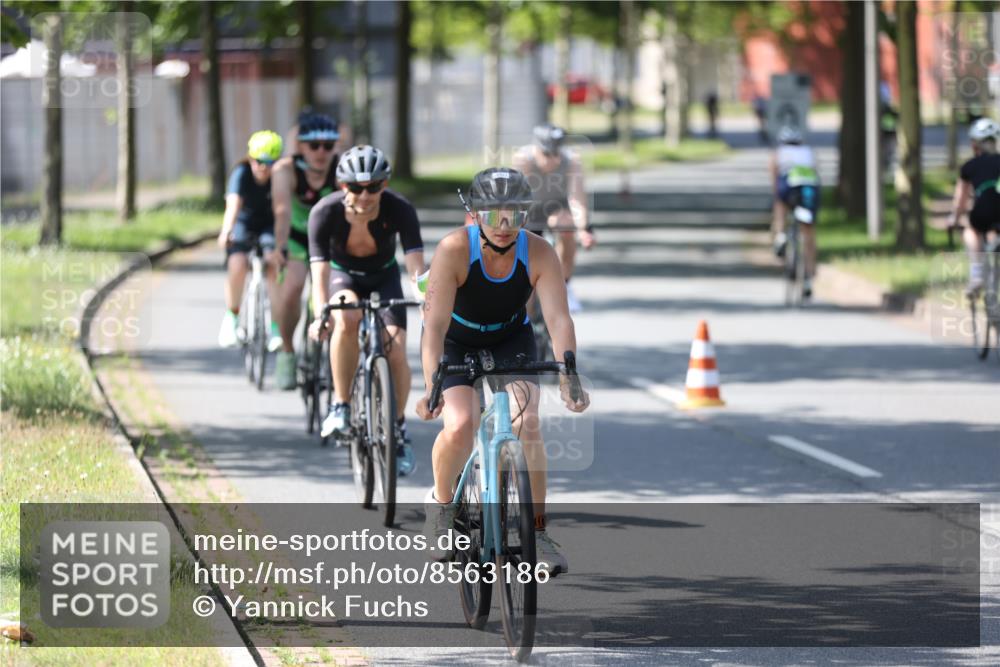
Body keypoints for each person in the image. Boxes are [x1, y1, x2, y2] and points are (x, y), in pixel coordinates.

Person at [415, 167, 591, 575]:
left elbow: (559, 319)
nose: (505, 226)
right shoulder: (454, 249)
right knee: (459, 424)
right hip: (457, 341)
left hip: (512, 339)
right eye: (494, 215)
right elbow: (434, 327)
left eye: (516, 214)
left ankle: (538, 529)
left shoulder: (540, 251)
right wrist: (432, 385)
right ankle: (441, 506)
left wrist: (569, 373)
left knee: (527, 422)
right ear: (474, 215)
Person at [308, 145, 426, 476]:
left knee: (397, 348)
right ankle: (341, 405)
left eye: (373, 186)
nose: (365, 195)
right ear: (343, 186)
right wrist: (321, 315)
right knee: (345, 317)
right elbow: (319, 275)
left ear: (384, 185)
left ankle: (398, 429)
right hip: (343, 277)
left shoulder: (400, 209)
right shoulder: (324, 212)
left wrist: (427, 299)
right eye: (356, 187)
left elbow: (417, 269)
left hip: (384, 276)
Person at [271, 111, 342, 390]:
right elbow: (282, 211)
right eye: (314, 145)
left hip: (330, 239)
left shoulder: (340, 167)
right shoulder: (285, 170)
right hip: (298, 238)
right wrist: (280, 246)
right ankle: (287, 352)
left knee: (328, 298)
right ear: (301, 146)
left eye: (328, 145)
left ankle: (316, 349)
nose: (321, 152)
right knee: (292, 290)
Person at [513, 124, 595, 313]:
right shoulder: (523, 160)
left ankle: (564, 284)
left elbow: (576, 198)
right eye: (547, 154)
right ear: (537, 149)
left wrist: (584, 228)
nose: (553, 160)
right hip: (529, 211)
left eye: (556, 153)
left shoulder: (571, 160)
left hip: (556, 208)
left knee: (565, 224)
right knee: (525, 260)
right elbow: (515, 200)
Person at [217, 130, 284, 348]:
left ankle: (275, 328)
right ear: (250, 158)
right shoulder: (241, 173)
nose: (263, 167)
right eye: (258, 161)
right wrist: (226, 231)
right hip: (243, 223)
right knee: (237, 264)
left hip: (269, 224)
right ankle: (231, 318)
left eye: (269, 162)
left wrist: (280, 243)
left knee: (274, 265)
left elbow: (283, 209)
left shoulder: (281, 176)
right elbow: (233, 205)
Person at [948, 117, 1000, 294]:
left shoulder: (969, 166)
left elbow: (960, 200)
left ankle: (977, 273)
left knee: (971, 230)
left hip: (983, 211)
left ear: (975, 145)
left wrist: (954, 219)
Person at [770, 125, 820, 298]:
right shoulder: (808, 152)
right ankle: (808, 277)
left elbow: (774, 176)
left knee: (780, 203)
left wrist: (777, 194)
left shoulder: (779, 152)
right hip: (808, 188)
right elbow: (816, 172)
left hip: (789, 185)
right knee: (808, 233)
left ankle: (781, 235)